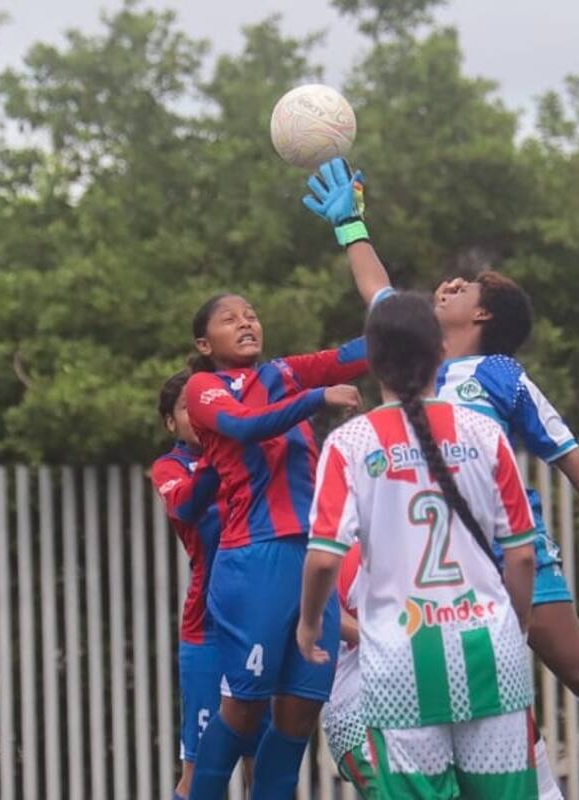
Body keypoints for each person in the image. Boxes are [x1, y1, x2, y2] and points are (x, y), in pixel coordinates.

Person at [305, 155, 579, 799]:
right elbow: (378, 294)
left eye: (466, 286)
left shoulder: (499, 376)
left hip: (510, 551)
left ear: (484, 318)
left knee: (576, 669)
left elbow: (562, 444)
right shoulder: (414, 354)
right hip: (433, 570)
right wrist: (351, 225)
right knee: (472, 702)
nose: (450, 285)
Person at [185, 195, 393, 798]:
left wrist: (396, 311)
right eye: (230, 318)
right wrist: (316, 400)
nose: (247, 321)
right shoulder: (206, 388)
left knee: (300, 714)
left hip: (311, 561)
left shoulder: (286, 371)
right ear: (204, 344)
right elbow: (250, 429)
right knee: (246, 710)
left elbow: (365, 350)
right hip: (254, 559)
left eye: (251, 314)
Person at [298, 292, 539, 799]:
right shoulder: (483, 433)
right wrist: (510, 626)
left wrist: (309, 623)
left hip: (401, 665)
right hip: (490, 652)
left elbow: (323, 559)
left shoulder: (349, 444)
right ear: (440, 351)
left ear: (374, 361)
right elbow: (520, 554)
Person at [152, 369, 263, 800]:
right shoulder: (170, 468)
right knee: (199, 776)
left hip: (262, 622)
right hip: (208, 627)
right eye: (186, 408)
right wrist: (221, 450)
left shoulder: (251, 455)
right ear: (170, 423)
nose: (198, 414)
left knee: (268, 771)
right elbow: (186, 504)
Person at [321, 544, 369, 795]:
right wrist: (385, 638)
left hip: (436, 710)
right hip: (361, 714)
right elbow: (325, 612)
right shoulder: (347, 550)